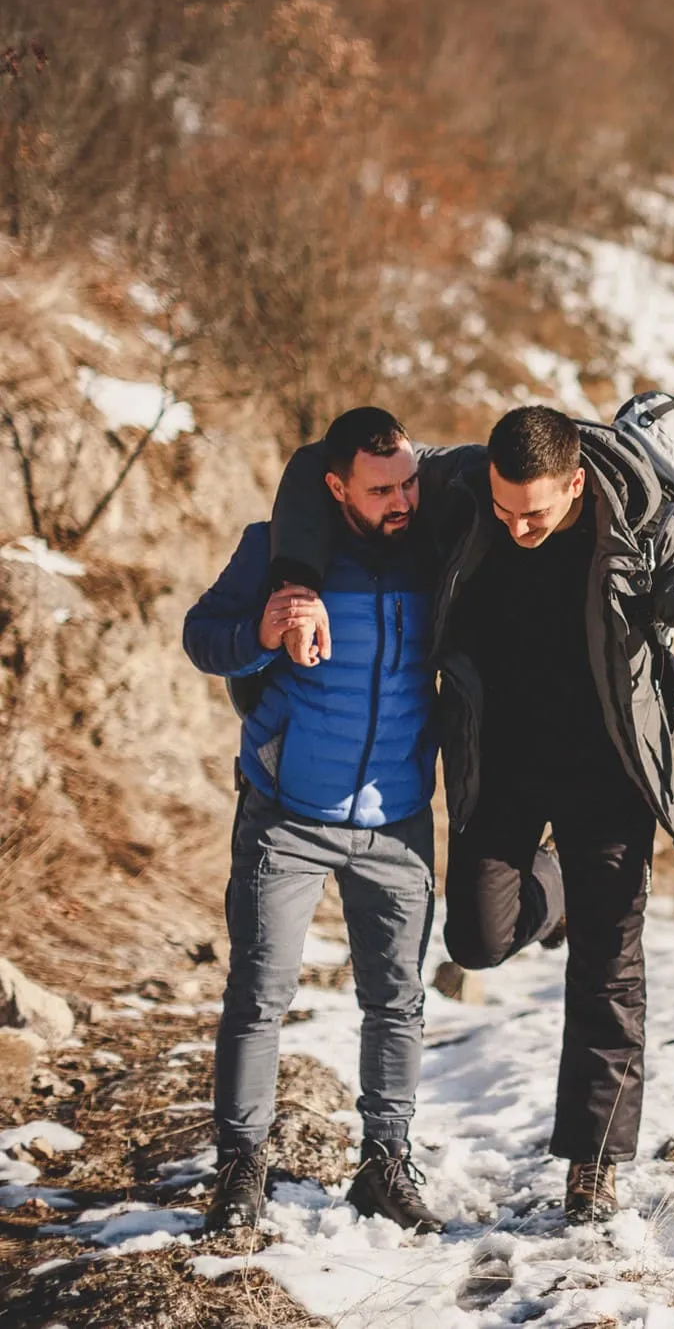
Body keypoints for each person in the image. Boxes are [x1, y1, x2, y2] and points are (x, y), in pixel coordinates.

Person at [270, 404, 674, 1227]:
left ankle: (593, 1162)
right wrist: (295, 573)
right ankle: (561, 892)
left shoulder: (640, 519)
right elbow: (310, 465)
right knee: (474, 938)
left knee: (609, 967)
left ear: (575, 481)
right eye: (504, 508)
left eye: (534, 512)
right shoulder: (463, 484)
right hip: (499, 764)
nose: (515, 526)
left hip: (608, 771)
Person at [182, 407, 443, 1235]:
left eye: (407, 481)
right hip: (288, 814)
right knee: (259, 994)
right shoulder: (275, 548)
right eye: (381, 489)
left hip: (398, 817)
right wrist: (261, 632)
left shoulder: (436, 549)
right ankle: (240, 1166)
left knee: (397, 1000)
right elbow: (201, 635)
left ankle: (385, 1162)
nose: (402, 499)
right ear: (336, 487)